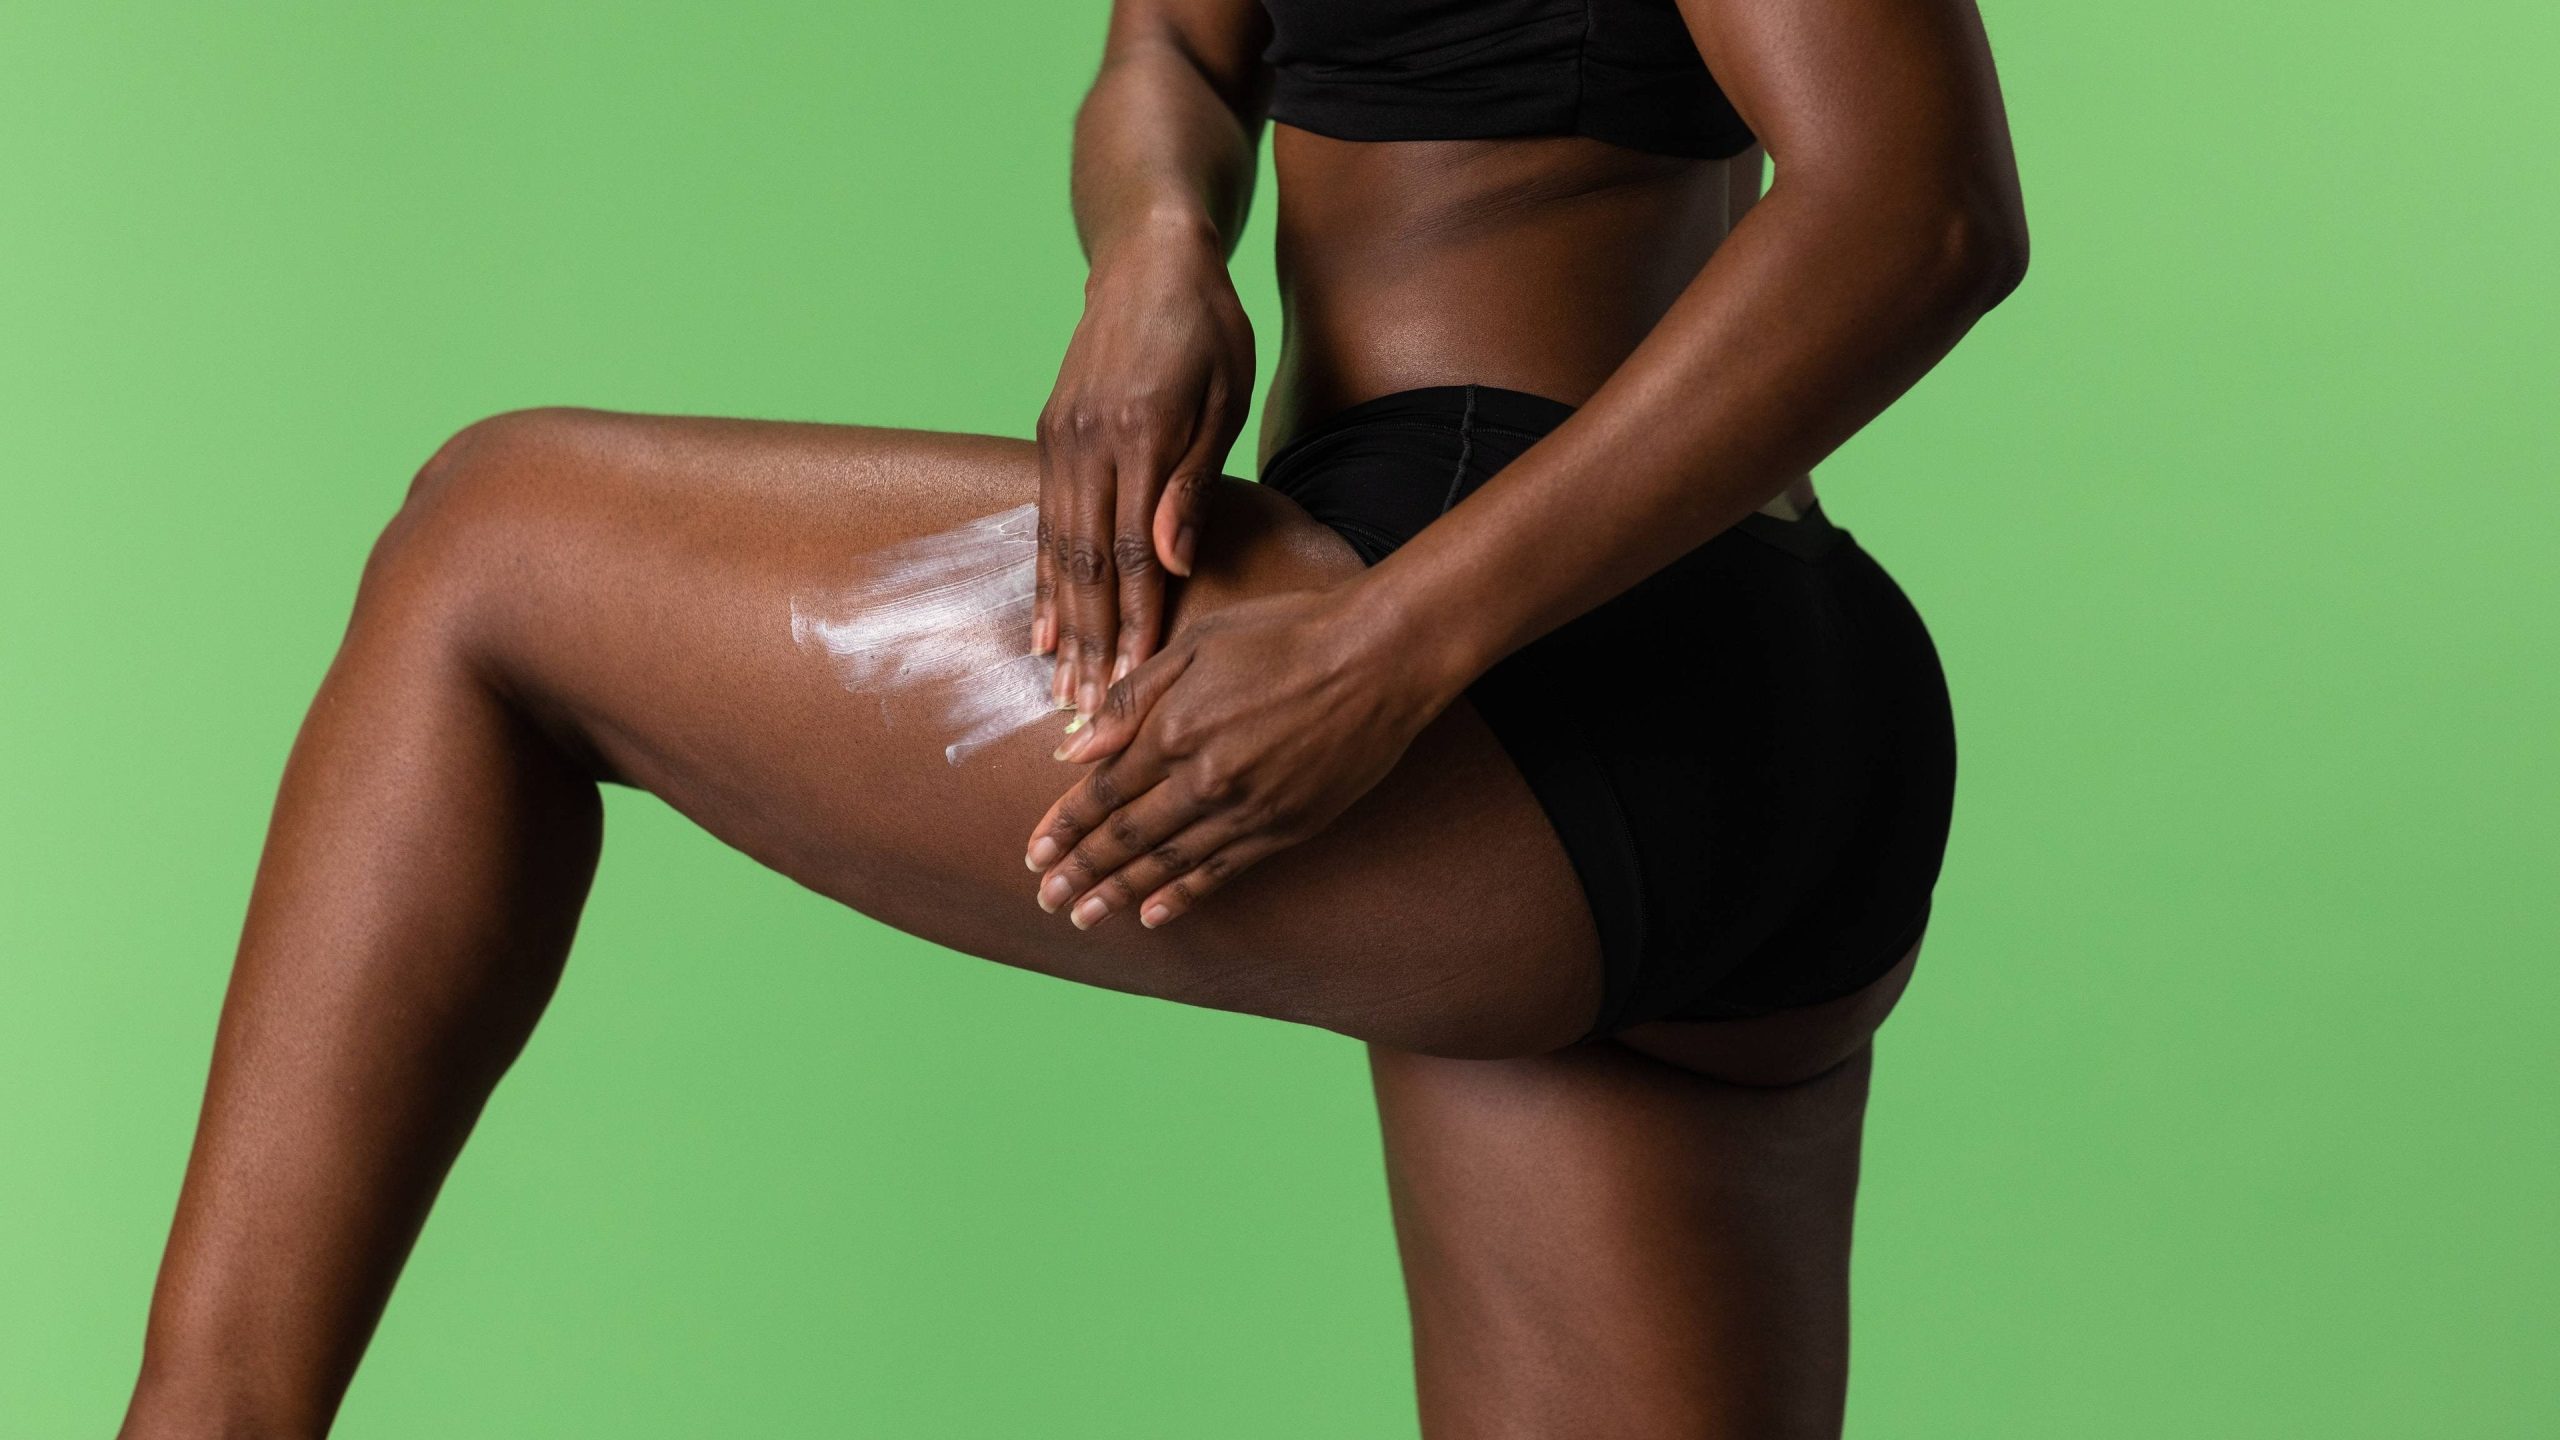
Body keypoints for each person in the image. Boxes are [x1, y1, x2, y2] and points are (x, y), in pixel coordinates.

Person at [115, 0, 2025, 1433]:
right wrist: (1156, 244)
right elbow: (1170, 55)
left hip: (1527, 649)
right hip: (1682, 749)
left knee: (486, 550)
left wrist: (1387, 652)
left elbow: (1921, 209)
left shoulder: (1416, 644)